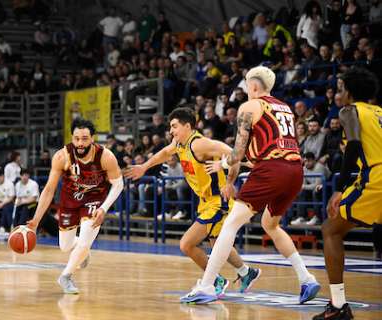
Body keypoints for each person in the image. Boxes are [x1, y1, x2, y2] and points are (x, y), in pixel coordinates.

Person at [183, 66, 320, 304]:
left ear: (253, 86)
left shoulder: (249, 107)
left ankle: (206, 286)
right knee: (271, 224)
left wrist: (222, 165)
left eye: (247, 86)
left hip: (271, 169)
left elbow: (237, 152)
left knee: (230, 225)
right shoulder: (285, 107)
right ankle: (306, 278)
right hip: (296, 171)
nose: (246, 91)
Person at [124, 107, 260, 302]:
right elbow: (164, 152)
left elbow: (233, 153)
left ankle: (215, 281)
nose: (171, 131)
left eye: (174, 126)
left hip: (218, 201)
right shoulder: (180, 143)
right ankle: (246, 272)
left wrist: (232, 180)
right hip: (205, 202)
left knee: (186, 244)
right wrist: (144, 167)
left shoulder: (200, 144)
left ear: (187, 126)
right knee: (218, 244)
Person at [313, 68, 382, 320]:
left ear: (350, 93)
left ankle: (339, 305)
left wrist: (340, 188)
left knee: (330, 229)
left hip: (376, 177)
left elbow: (353, 144)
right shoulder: (380, 113)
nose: (337, 93)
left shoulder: (349, 111)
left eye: (340, 88)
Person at [27, 118, 123, 294]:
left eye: (85, 138)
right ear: (72, 138)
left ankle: (66, 276)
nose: (80, 143)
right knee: (65, 246)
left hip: (95, 200)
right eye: (76, 138)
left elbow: (118, 184)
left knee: (86, 236)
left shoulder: (106, 156)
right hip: (70, 201)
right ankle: (83, 251)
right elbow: (49, 190)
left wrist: (104, 208)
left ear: (92, 138)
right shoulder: (61, 156)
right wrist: (35, 220)